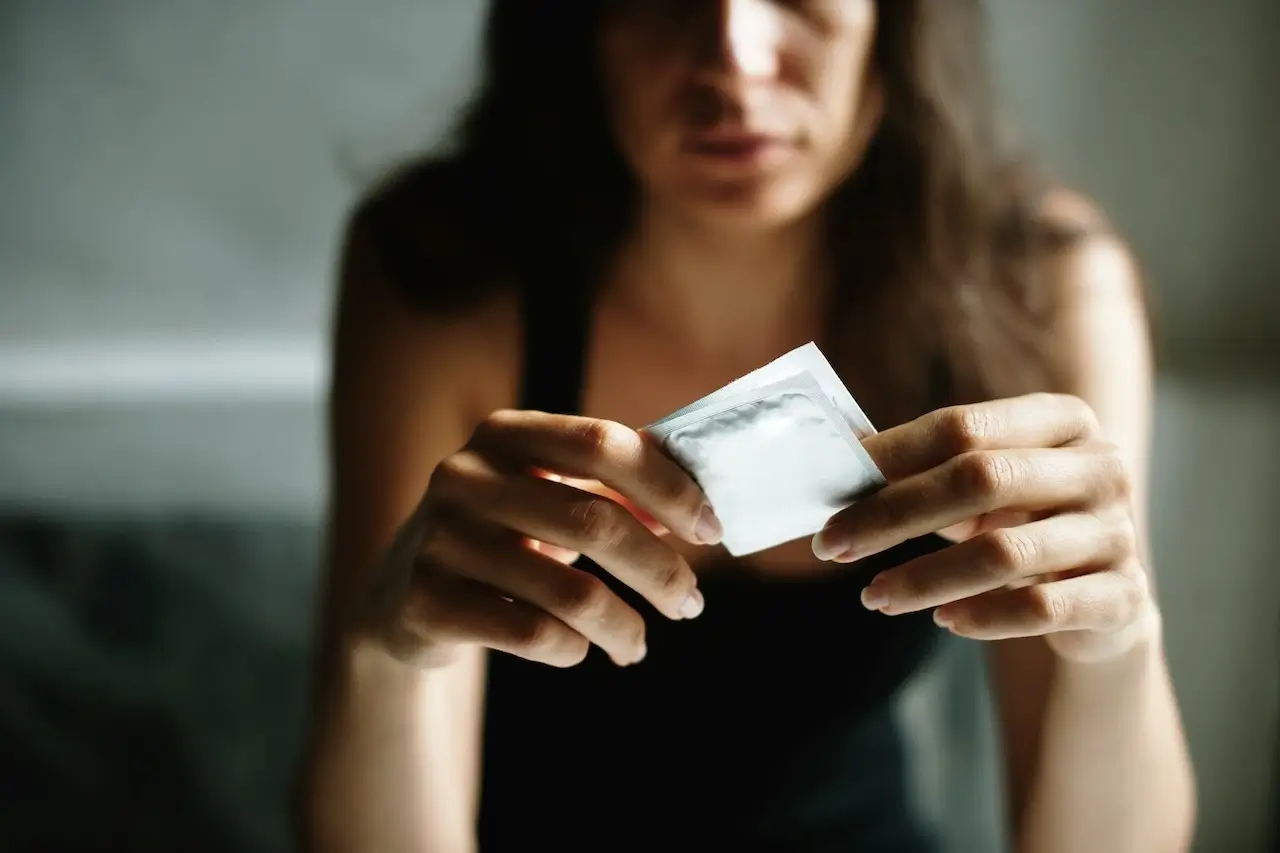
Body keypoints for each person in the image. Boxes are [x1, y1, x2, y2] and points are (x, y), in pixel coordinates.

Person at [300, 1, 1196, 851]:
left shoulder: (1038, 281)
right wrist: (384, 657)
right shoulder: (440, 272)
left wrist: (1120, 647)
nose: (736, 61)